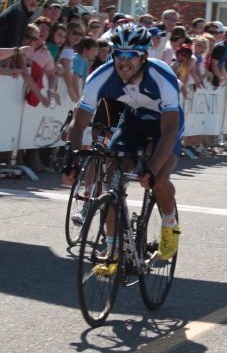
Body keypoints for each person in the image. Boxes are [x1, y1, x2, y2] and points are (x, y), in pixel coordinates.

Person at [61, 23, 184, 273]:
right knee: (110, 182)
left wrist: (151, 168)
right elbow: (79, 122)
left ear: (144, 56)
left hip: (164, 125)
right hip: (134, 121)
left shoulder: (162, 76)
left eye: (131, 55)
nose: (124, 61)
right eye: (119, 54)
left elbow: (170, 130)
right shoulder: (101, 77)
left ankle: (170, 227)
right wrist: (72, 159)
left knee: (158, 178)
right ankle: (114, 252)